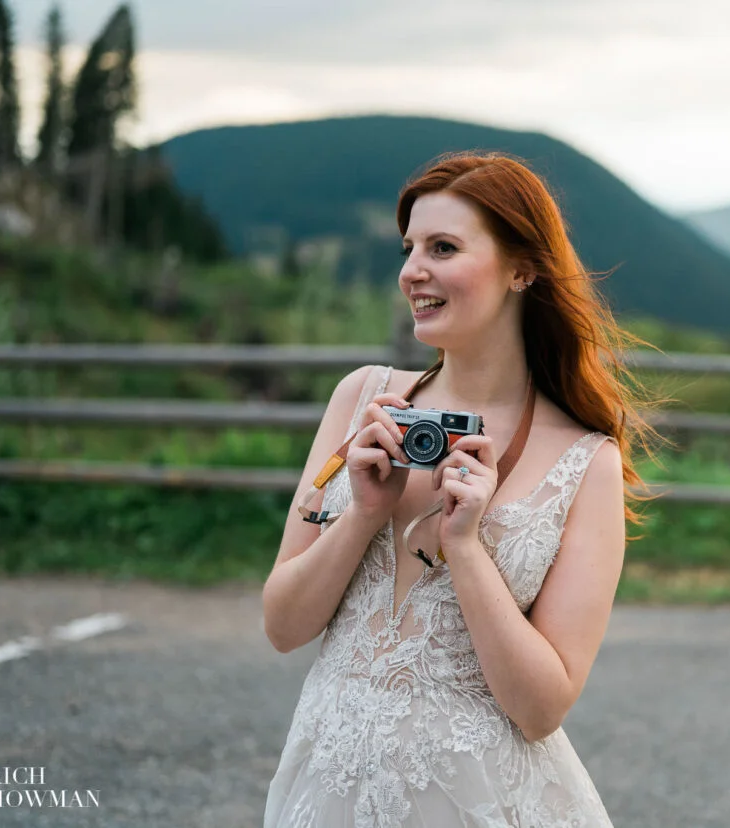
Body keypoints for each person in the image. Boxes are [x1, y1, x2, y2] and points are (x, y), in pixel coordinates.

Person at [262, 151, 662, 827]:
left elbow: (540, 711)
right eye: (409, 248)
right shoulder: (362, 399)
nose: (412, 270)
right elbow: (282, 625)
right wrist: (362, 514)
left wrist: (467, 545)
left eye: (443, 247)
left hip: (477, 805)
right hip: (326, 789)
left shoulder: (582, 460)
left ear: (521, 268)